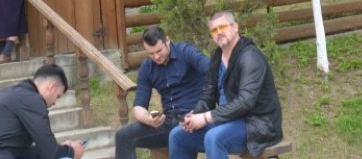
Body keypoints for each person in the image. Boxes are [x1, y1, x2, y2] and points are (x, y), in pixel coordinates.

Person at [168, 11, 283, 159]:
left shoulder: (250, 57)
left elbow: (245, 102)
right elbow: (208, 94)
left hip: (257, 124)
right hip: (227, 119)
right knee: (178, 135)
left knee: (214, 138)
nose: (219, 32)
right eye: (214, 30)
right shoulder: (216, 56)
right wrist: (195, 115)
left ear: (235, 27)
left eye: (222, 27)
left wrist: (206, 117)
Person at [114, 26, 210, 159]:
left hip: (194, 118)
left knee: (178, 134)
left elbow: (214, 71)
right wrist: (148, 120)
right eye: (151, 53)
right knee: (123, 135)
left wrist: (205, 109)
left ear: (167, 41)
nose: (156, 56)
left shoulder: (186, 52)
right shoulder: (147, 68)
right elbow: (139, 106)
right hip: (168, 121)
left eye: (159, 51)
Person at [0, 64, 87, 159]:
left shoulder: (17, 94)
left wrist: (62, 149)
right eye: (57, 96)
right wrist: (71, 151)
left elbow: (29, 151)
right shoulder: (33, 100)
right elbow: (51, 153)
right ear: (51, 87)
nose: (54, 103)